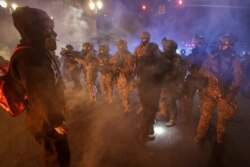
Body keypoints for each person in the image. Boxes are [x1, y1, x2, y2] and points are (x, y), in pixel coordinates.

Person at [10, 7, 70, 166]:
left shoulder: (38, 52)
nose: (51, 32)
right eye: (46, 27)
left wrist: (60, 103)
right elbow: (38, 93)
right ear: (33, 29)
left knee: (62, 155)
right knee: (57, 158)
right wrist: (55, 120)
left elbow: (51, 82)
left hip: (47, 113)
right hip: (42, 118)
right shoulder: (26, 56)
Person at [194, 34, 243, 144]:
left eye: (228, 45)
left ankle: (220, 138)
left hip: (225, 94)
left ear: (231, 46)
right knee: (205, 116)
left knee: (222, 119)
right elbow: (202, 70)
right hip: (210, 92)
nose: (225, 47)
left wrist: (230, 88)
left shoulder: (235, 62)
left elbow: (239, 78)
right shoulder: (212, 58)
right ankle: (199, 134)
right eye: (223, 45)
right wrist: (212, 75)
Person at [134, 31, 170, 142]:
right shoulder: (155, 61)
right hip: (151, 90)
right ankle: (143, 135)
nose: (144, 40)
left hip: (144, 89)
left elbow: (137, 70)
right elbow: (165, 65)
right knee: (149, 113)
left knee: (147, 112)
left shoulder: (142, 61)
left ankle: (147, 131)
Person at [180, 35, 209, 121]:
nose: (199, 45)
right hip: (191, 80)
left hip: (203, 81)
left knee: (204, 102)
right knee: (188, 100)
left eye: (201, 44)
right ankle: (187, 117)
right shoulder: (191, 55)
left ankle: (203, 120)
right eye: (198, 43)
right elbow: (184, 64)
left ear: (204, 45)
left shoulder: (207, 57)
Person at [159, 38, 186, 127]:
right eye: (164, 47)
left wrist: (160, 76)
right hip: (166, 83)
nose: (164, 49)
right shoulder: (166, 57)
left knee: (171, 101)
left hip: (174, 84)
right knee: (162, 98)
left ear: (171, 49)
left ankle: (172, 119)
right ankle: (164, 114)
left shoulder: (176, 59)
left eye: (166, 47)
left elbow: (172, 74)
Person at [113, 39, 134, 113]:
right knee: (120, 92)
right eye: (119, 45)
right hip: (119, 76)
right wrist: (116, 67)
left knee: (126, 93)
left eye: (121, 45)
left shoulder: (129, 55)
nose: (120, 46)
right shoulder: (117, 54)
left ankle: (127, 107)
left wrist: (122, 69)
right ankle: (123, 104)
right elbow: (114, 63)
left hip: (126, 76)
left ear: (124, 45)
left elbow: (131, 67)